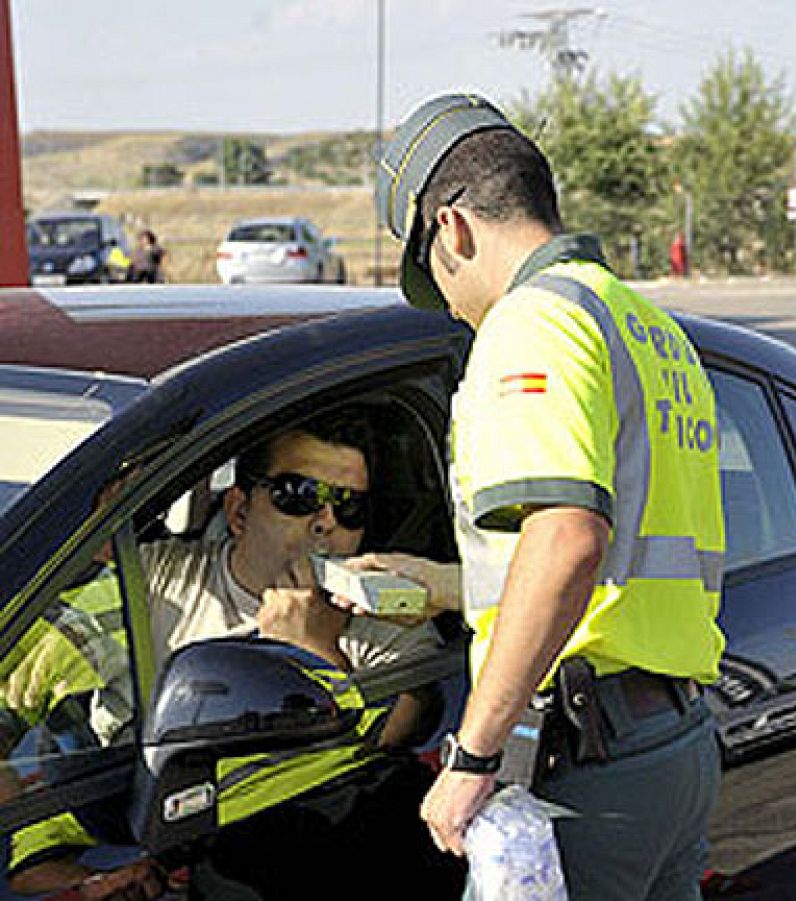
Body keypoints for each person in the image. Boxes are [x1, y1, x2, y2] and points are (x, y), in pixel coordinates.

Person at [376, 93, 725, 900]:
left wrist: (471, 753)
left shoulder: (531, 323)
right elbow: (624, 557)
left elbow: (568, 537)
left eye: (434, 275)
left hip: (584, 765)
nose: (453, 306)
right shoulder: (645, 324)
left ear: (451, 229)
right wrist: (444, 586)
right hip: (674, 744)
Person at [8, 410, 463, 899]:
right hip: (123, 841)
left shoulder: (392, 622)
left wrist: (314, 651)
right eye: (300, 495)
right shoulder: (149, 584)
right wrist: (87, 883)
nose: (326, 523)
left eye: (349, 507)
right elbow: (9, 701)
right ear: (240, 511)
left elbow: (392, 750)